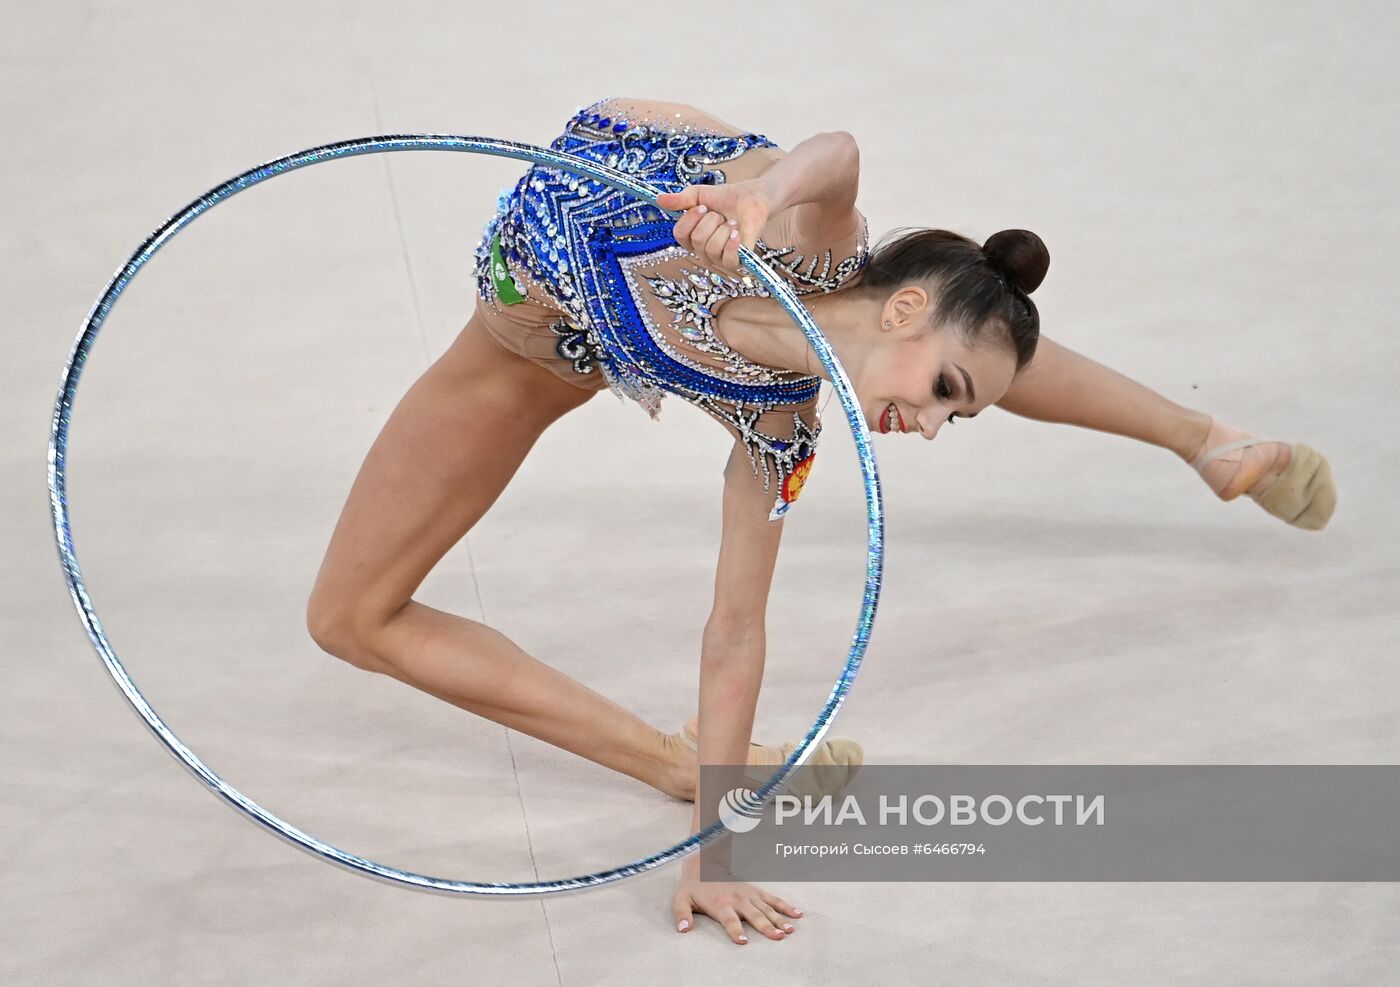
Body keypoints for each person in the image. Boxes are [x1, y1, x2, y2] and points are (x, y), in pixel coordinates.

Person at [304, 96, 1337, 945]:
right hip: (549, 288)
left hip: (545, 345)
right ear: (898, 313)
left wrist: (719, 851)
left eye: (951, 417)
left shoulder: (780, 433)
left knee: (970, 341)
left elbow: (736, 628)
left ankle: (682, 762)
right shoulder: (809, 250)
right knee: (349, 617)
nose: (926, 430)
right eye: (939, 394)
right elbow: (837, 153)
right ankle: (1194, 432)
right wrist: (759, 193)